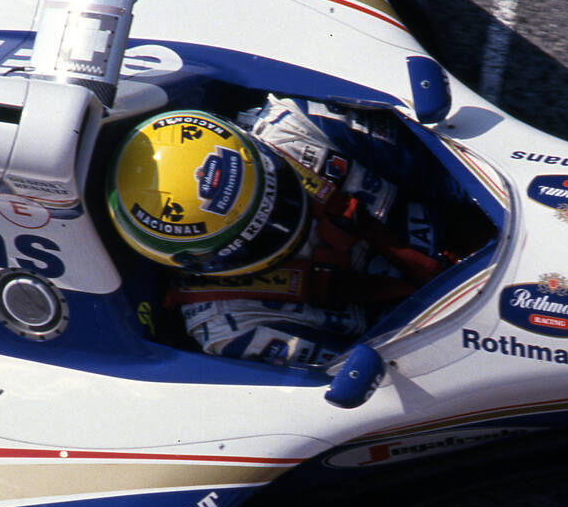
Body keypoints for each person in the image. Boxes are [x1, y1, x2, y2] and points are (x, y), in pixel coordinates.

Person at [106, 95, 450, 367]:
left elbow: (444, 166)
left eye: (277, 197)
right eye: (258, 236)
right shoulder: (231, 327)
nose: (283, 221)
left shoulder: (294, 124)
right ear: (199, 263)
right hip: (435, 331)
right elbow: (383, 374)